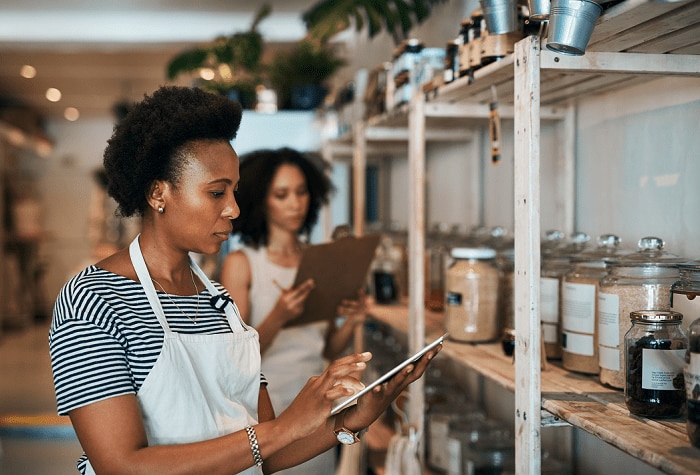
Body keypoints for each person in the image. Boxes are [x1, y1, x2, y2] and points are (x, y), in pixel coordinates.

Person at [48, 85, 440, 475]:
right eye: (217, 192)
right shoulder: (93, 299)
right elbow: (120, 465)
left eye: (234, 191)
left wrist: (351, 420)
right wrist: (283, 427)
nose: (233, 208)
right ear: (158, 194)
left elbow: (263, 453)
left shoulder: (218, 302)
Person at [219, 148, 367, 474]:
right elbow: (236, 360)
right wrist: (278, 317)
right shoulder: (242, 265)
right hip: (267, 414)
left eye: (301, 192)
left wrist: (353, 320)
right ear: (261, 200)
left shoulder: (320, 262)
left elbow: (325, 349)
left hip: (319, 409)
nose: (295, 203)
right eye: (282, 194)